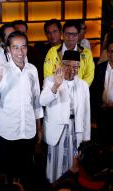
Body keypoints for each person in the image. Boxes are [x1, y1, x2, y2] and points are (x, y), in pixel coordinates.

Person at [0, 31, 43, 178]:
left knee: (27, 169)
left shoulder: (32, 70)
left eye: (23, 47)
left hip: (29, 130)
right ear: (8, 49)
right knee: (8, 172)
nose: (20, 52)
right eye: (15, 47)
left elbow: (36, 101)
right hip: (8, 131)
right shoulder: (2, 70)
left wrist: (39, 128)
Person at [40, 50, 91, 183]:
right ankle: (54, 188)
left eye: (76, 67)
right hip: (57, 129)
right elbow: (42, 101)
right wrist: (56, 86)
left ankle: (71, 190)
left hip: (75, 127)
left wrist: (86, 137)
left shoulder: (83, 85)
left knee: (74, 161)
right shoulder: (50, 80)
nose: (72, 70)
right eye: (69, 66)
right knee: (55, 164)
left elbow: (86, 112)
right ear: (62, 65)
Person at [44, 20, 95, 86]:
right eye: (68, 34)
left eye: (74, 34)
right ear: (62, 33)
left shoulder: (86, 53)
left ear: (78, 35)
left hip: (79, 93)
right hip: (58, 92)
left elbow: (89, 76)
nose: (71, 37)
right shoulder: (53, 51)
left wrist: (79, 90)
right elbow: (48, 76)